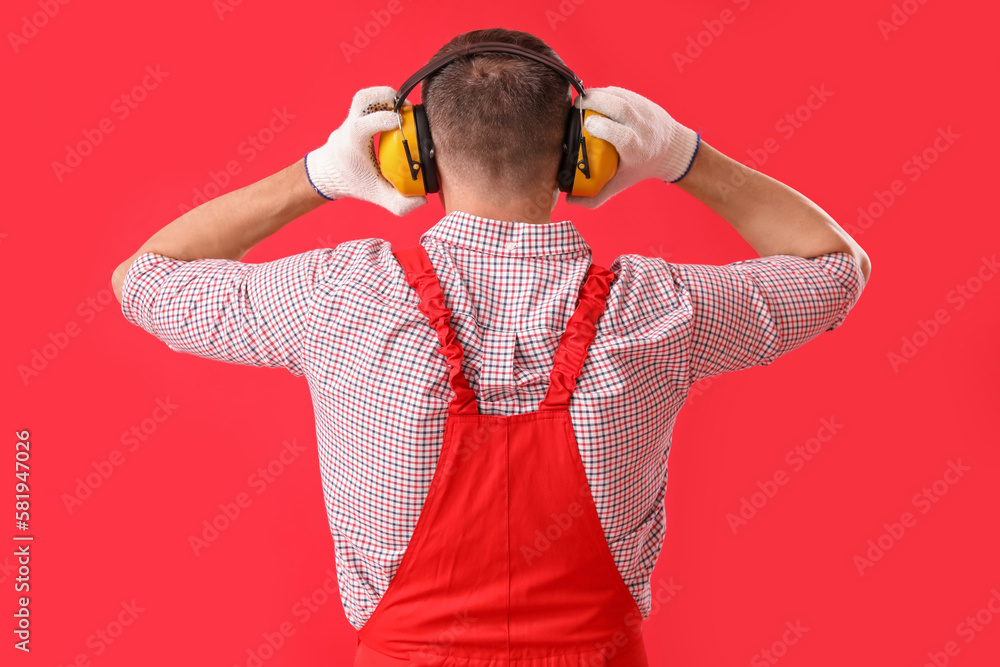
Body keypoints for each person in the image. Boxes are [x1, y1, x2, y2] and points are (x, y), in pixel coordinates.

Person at [111, 27, 870, 667]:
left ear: (417, 156)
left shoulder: (336, 296)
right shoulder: (661, 310)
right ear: (581, 155)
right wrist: (681, 154)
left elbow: (143, 280)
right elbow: (837, 269)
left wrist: (320, 176)